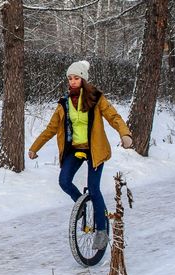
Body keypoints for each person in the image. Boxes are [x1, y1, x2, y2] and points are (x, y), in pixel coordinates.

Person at [28, 60, 132, 250]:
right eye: (70, 78)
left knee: (94, 188)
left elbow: (113, 117)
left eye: (76, 78)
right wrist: (35, 148)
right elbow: (51, 129)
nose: (73, 81)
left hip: (94, 149)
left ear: (83, 79)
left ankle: (101, 230)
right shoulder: (64, 104)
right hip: (75, 149)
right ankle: (82, 206)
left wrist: (124, 134)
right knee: (64, 181)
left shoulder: (96, 99)